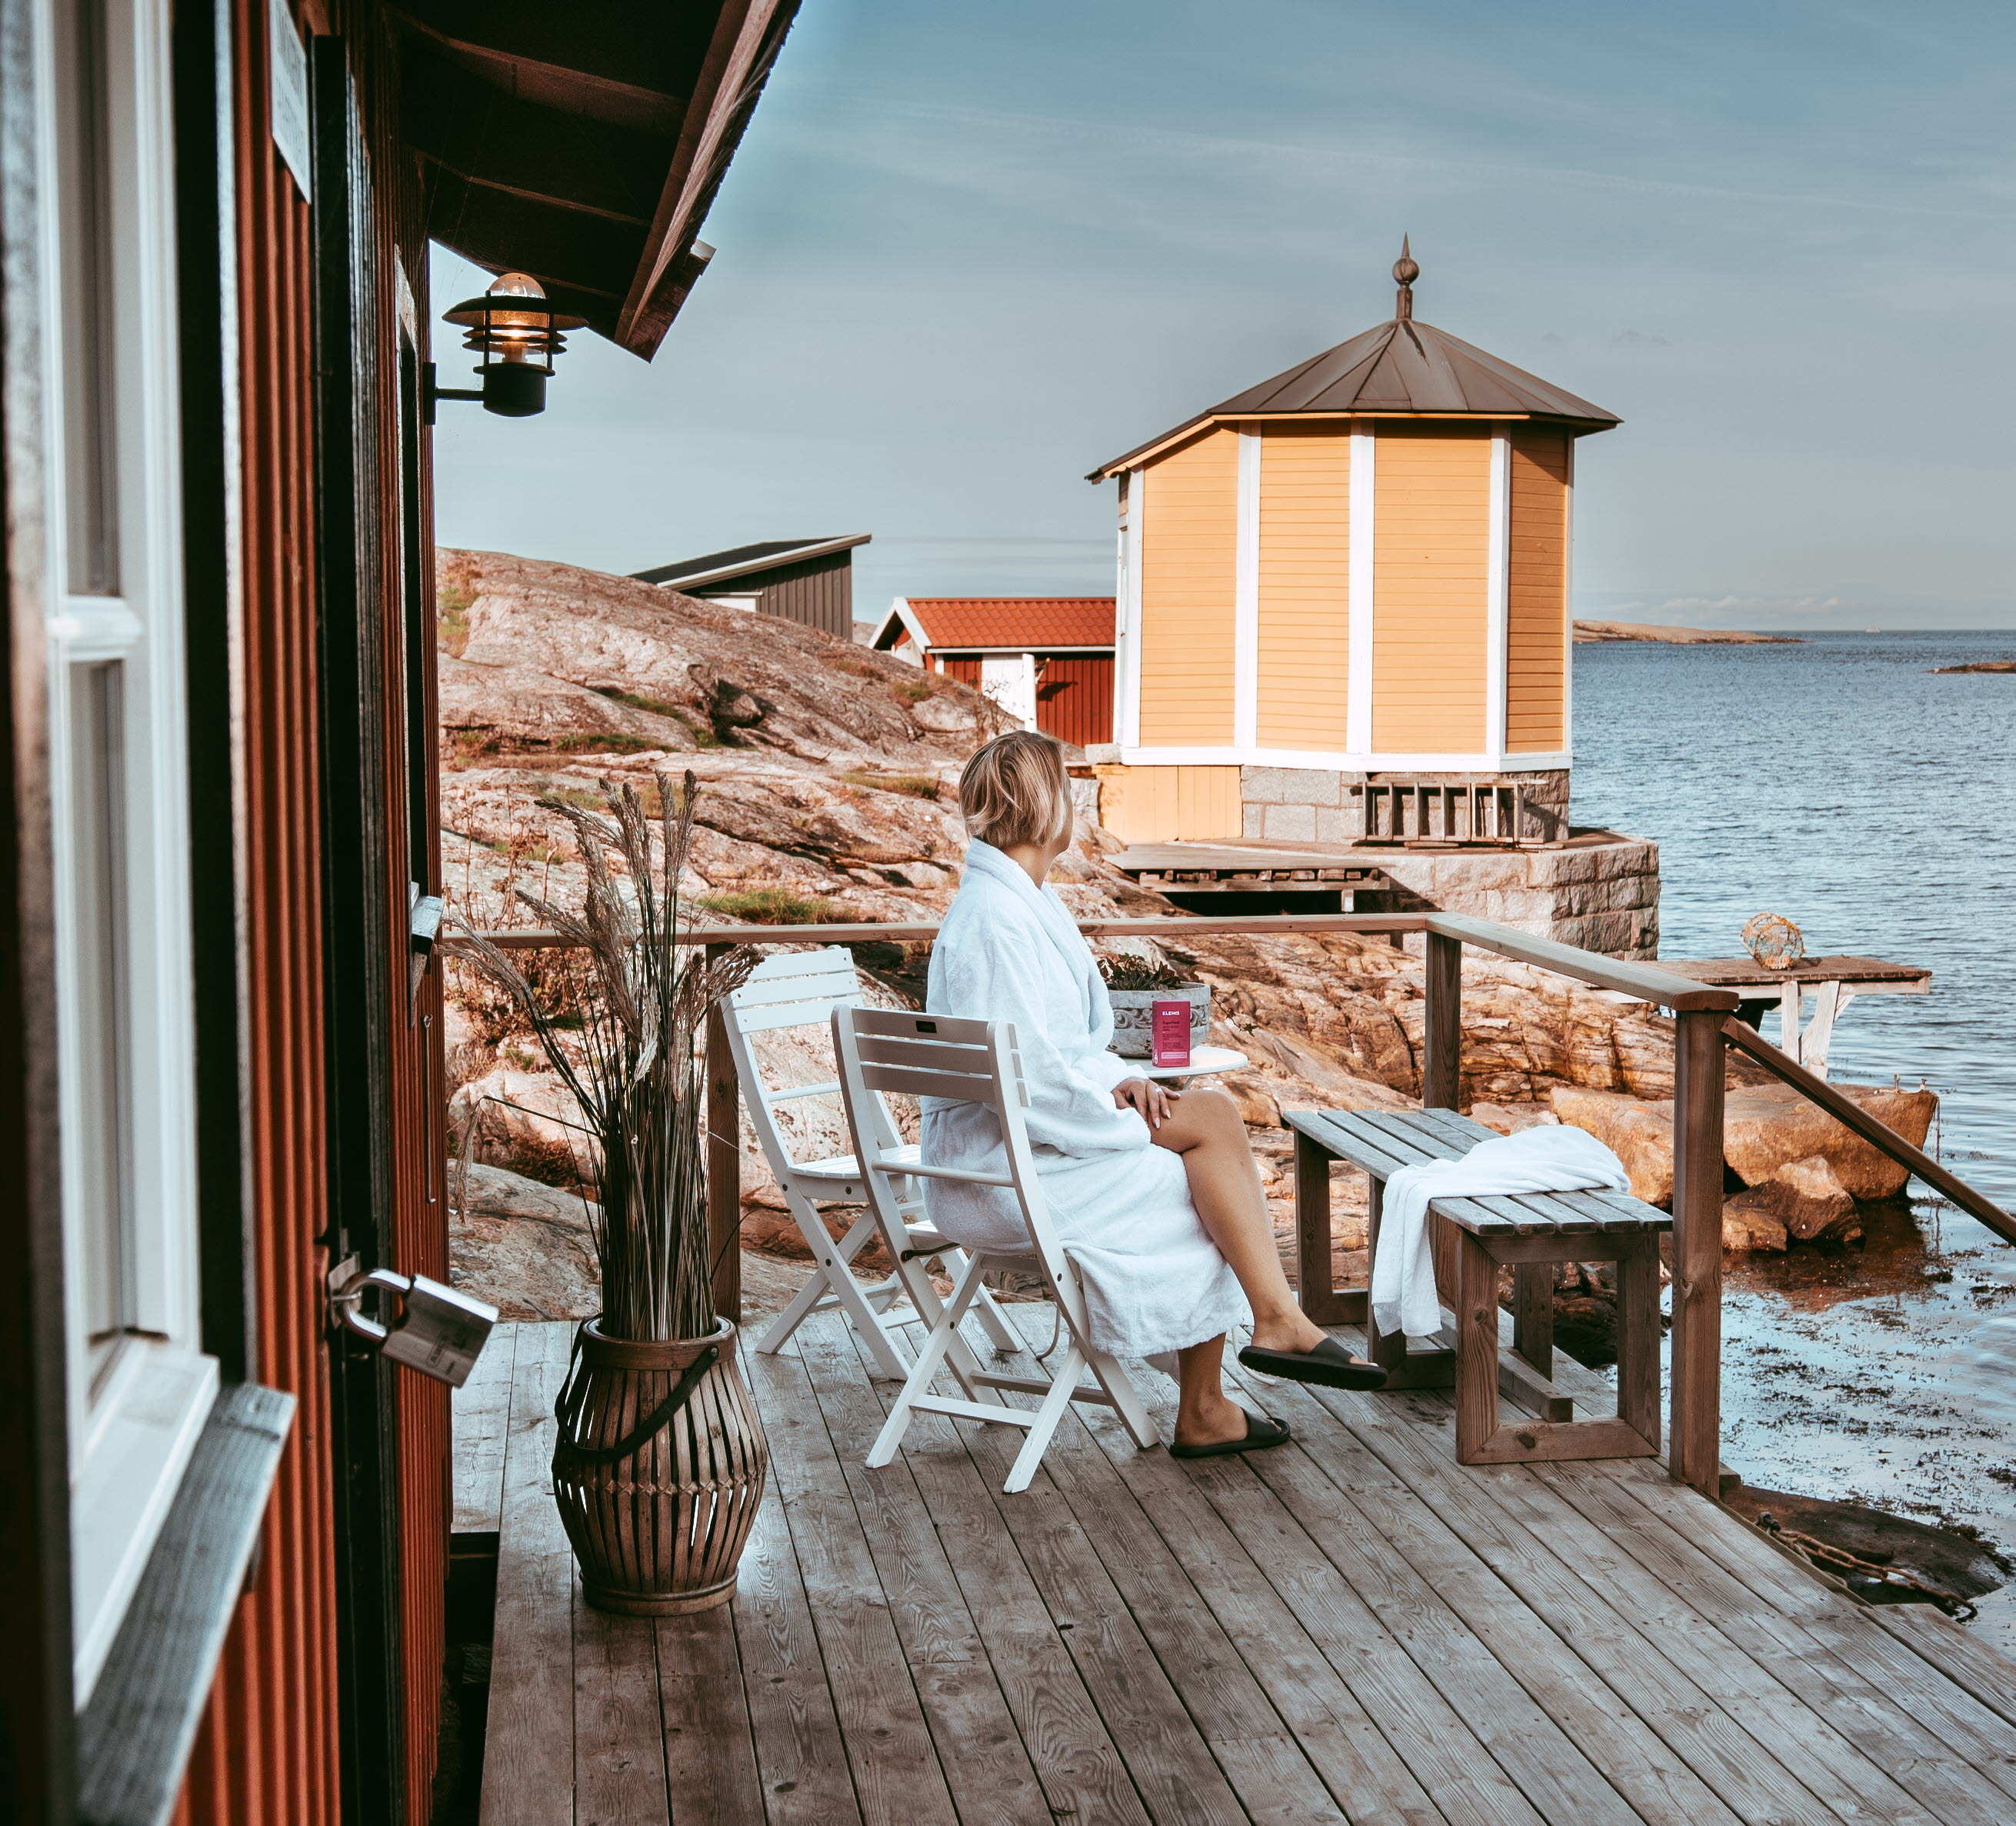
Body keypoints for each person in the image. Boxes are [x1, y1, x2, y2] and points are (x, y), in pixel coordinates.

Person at [920, 729, 1385, 1460]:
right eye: (1068, 789)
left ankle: (1261, 1339)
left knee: (1209, 1122)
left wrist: (1120, 1081)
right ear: (1047, 808)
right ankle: (1223, 1384)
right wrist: (1116, 1124)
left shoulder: (1012, 906)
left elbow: (1051, 1052)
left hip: (1016, 1144)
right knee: (1194, 1181)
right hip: (997, 1173)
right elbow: (1026, 1076)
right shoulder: (995, 922)